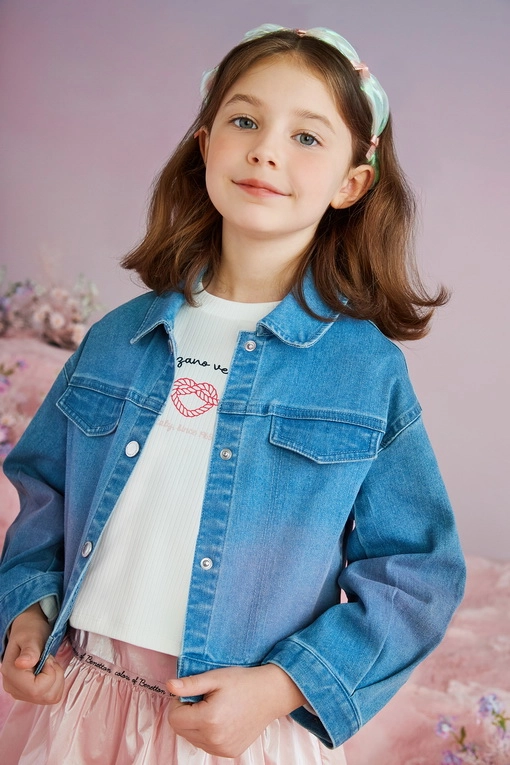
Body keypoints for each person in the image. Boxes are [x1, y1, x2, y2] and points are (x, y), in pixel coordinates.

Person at [0, 23, 465, 764]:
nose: (266, 151)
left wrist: (282, 687)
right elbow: (43, 488)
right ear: (205, 143)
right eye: (245, 121)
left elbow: (418, 569)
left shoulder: (364, 372)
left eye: (306, 137)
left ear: (352, 182)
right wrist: (26, 609)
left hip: (238, 727)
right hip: (82, 702)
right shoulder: (117, 338)